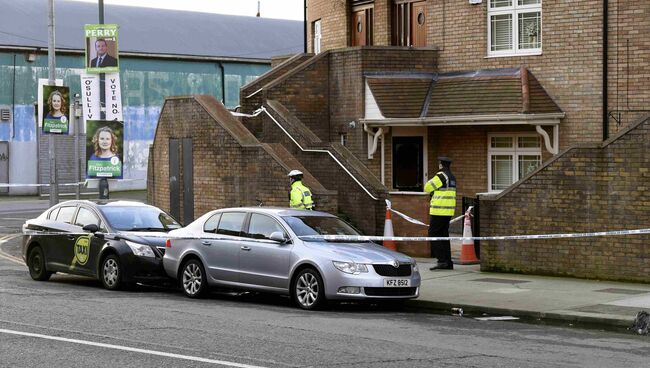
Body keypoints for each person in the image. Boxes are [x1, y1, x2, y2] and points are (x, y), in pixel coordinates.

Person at [424, 156, 457, 270]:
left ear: (441, 165)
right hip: (448, 211)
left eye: (439, 163)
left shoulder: (441, 175)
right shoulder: (452, 177)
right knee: (444, 235)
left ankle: (441, 261)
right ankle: (448, 262)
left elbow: (427, 187)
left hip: (439, 210)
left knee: (433, 234)